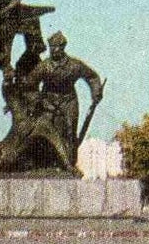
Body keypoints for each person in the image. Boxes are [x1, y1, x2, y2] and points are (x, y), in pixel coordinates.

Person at [21, 32, 104, 172]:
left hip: (69, 100)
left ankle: (69, 164)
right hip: (48, 102)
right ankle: (45, 164)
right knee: (47, 131)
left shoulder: (74, 65)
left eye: (55, 47)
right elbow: (29, 84)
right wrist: (32, 99)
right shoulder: (44, 66)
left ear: (62, 47)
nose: (53, 49)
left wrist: (96, 92)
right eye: (51, 47)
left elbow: (92, 76)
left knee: (70, 131)